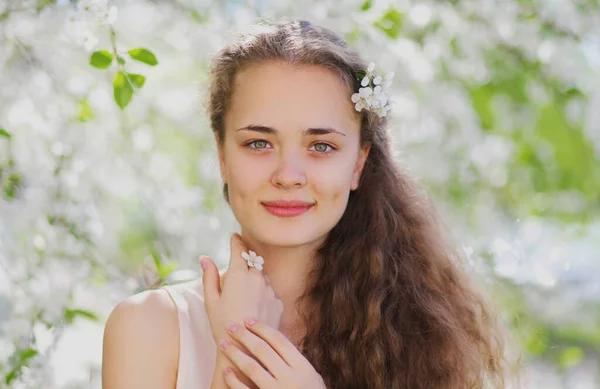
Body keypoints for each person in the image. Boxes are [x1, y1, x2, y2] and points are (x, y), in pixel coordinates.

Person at [102, 18, 511, 389]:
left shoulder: (416, 339)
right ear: (223, 156)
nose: (288, 174)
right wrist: (238, 351)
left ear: (358, 164)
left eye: (321, 145)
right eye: (259, 143)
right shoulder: (149, 326)